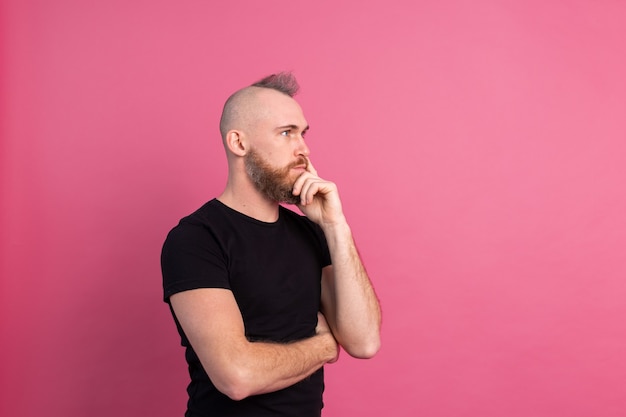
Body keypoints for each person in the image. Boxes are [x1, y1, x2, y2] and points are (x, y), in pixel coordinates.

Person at [161, 72, 381, 417]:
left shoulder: (311, 232)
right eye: (286, 133)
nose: (304, 149)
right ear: (239, 143)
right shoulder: (196, 239)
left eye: (303, 134)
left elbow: (364, 341)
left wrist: (335, 226)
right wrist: (324, 346)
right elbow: (237, 376)